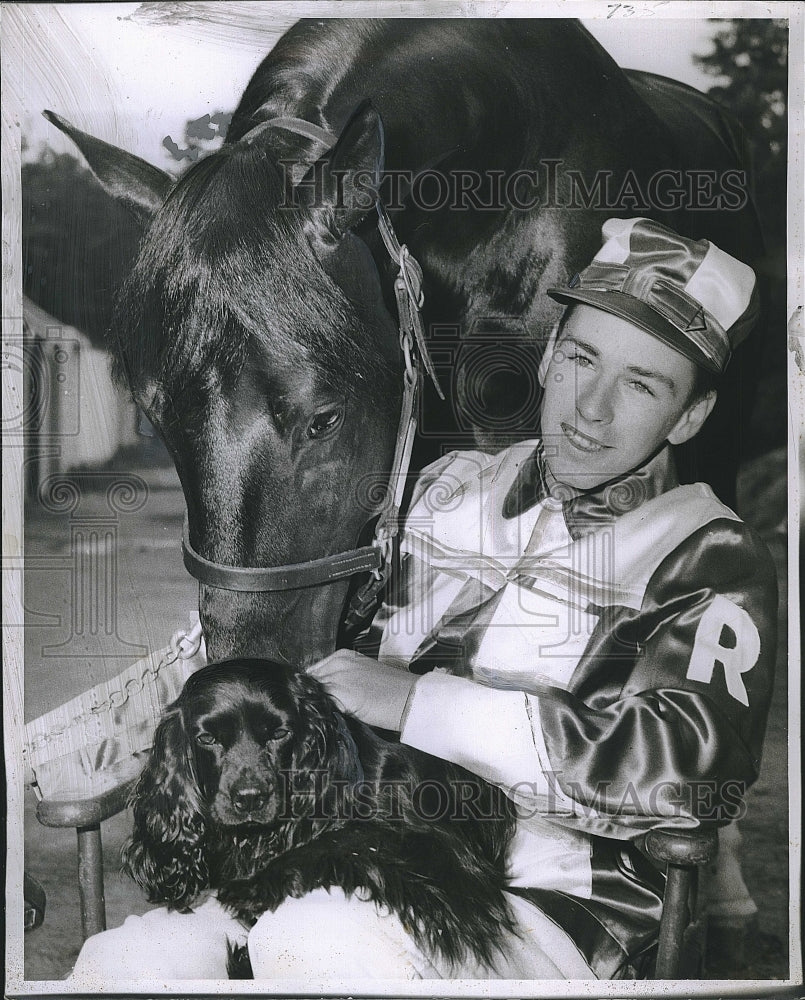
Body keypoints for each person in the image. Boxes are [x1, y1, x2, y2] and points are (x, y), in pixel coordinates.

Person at [71, 218, 777, 982]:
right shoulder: (446, 488)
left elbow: (688, 774)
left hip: (550, 899)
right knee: (129, 961)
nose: (591, 407)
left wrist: (420, 704)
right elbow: (290, 668)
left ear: (693, 414)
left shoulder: (707, 553)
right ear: (546, 355)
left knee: (314, 939)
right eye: (579, 358)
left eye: (641, 384)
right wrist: (109, 735)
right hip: (336, 848)